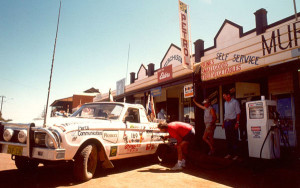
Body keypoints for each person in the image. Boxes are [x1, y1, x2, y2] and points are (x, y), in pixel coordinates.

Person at [222, 90, 241, 160]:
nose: (223, 97)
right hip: (227, 122)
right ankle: (229, 153)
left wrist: (237, 122)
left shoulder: (235, 102)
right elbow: (225, 114)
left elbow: (238, 113)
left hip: (233, 122)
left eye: (224, 96)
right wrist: (223, 122)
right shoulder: (225, 103)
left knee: (234, 138)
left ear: (228, 95)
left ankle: (236, 154)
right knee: (228, 138)